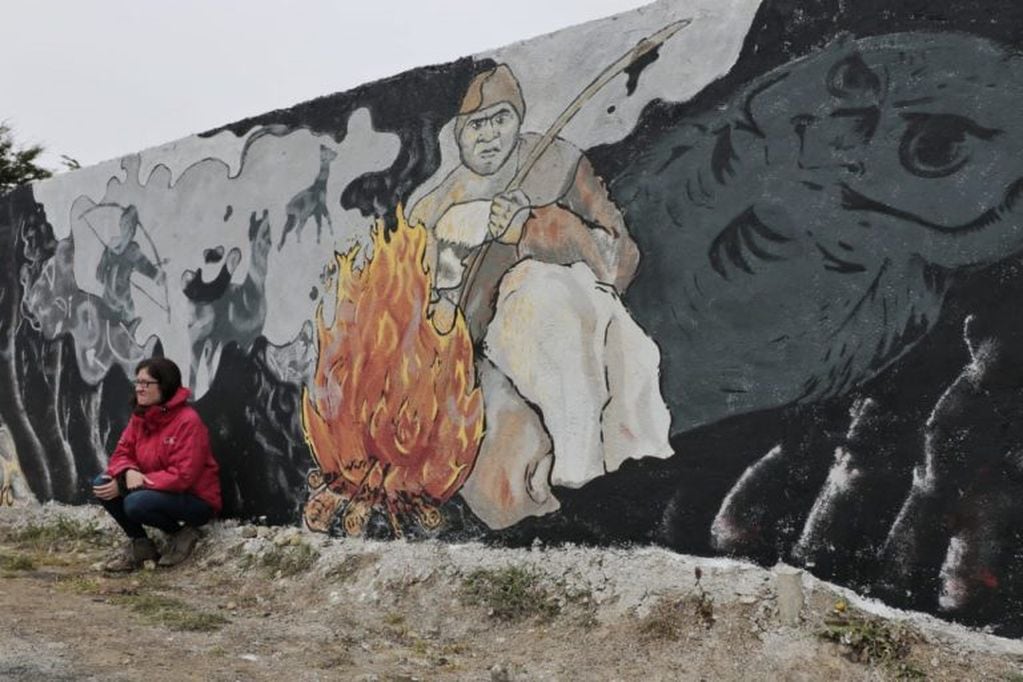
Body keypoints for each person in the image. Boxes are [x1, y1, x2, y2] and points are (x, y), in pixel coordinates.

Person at [408, 63, 639, 337]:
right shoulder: (430, 210)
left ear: (518, 119)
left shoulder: (560, 163)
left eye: (501, 118)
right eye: (476, 123)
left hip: (572, 330)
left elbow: (620, 260)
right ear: (457, 134)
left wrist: (530, 228)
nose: (490, 134)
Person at [92, 356, 221, 571]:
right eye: (138, 383)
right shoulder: (140, 418)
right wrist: (127, 471)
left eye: (146, 383)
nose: (139, 389)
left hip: (196, 501)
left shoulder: (188, 421)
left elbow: (183, 476)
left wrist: (131, 483)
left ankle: (183, 533)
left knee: (135, 503)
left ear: (165, 385)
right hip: (156, 490)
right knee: (102, 483)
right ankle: (141, 545)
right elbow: (121, 454)